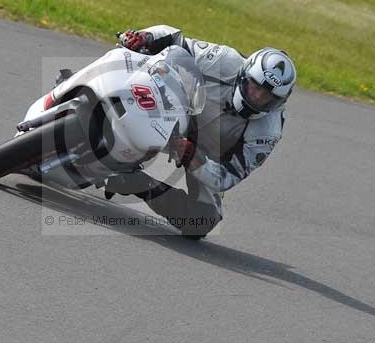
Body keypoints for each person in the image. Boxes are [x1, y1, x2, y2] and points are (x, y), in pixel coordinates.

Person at [105, 25, 297, 238]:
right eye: (255, 87)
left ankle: (136, 181)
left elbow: (229, 176)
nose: (258, 98)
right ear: (244, 74)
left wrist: (193, 156)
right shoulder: (224, 60)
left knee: (202, 220)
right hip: (179, 111)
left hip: (206, 154)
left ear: (280, 101)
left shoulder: (267, 133)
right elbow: (177, 41)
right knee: (137, 63)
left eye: (268, 97)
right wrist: (145, 37)